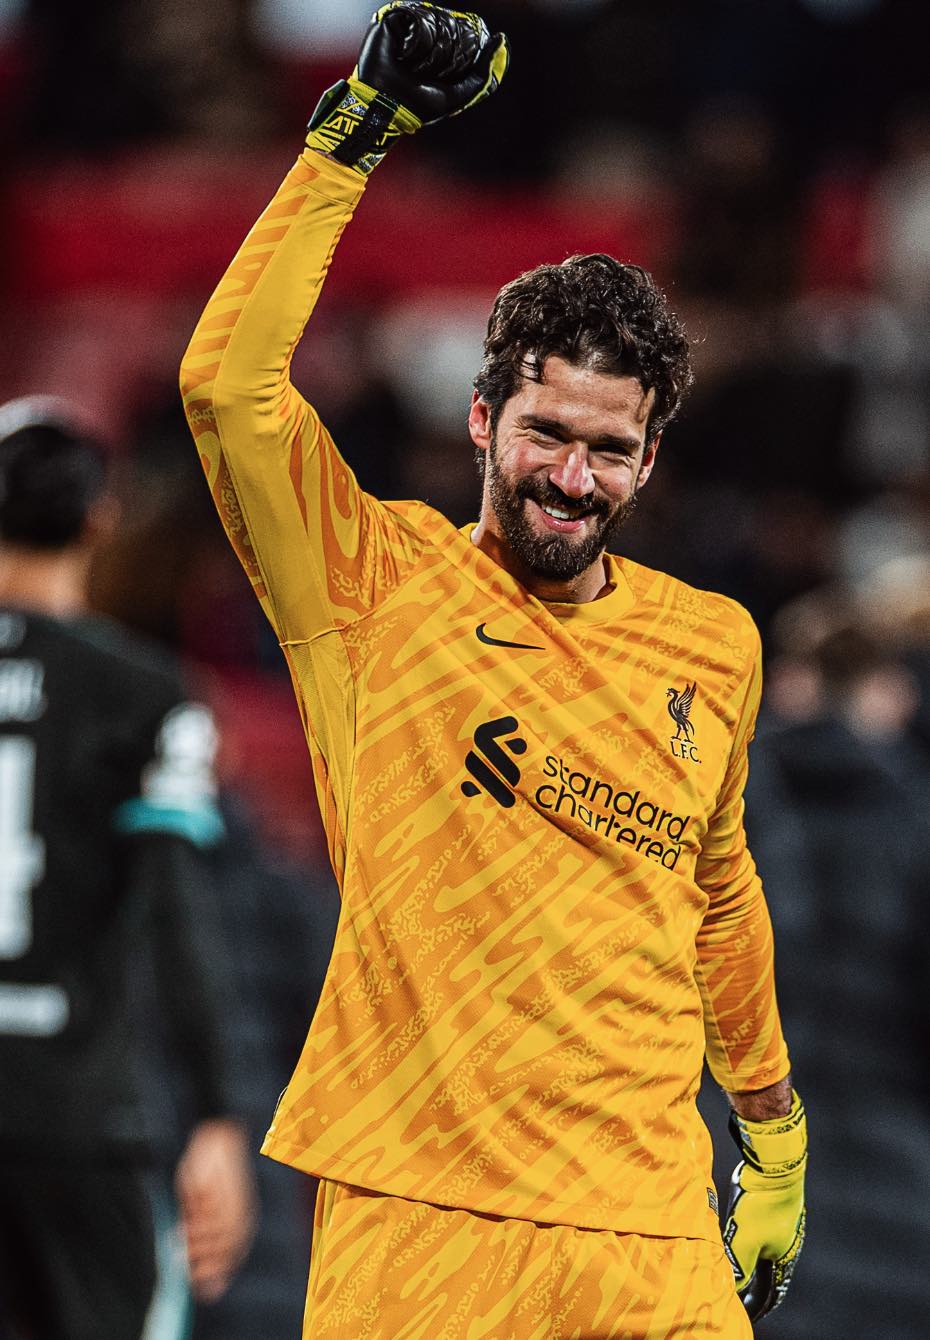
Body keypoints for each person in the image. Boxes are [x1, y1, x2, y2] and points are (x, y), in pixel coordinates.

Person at [180, 5, 806, 1336]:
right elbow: (227, 390)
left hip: (651, 1234)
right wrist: (351, 139)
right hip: (424, 1221)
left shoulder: (714, 640)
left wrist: (772, 1132)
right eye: (544, 433)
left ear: (649, 459)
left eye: (609, 450)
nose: (572, 477)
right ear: (481, 418)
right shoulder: (369, 582)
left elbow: (717, 893)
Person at [0, 398, 255, 1340]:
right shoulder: (143, 695)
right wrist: (218, 1116)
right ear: (100, 519)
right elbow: (178, 914)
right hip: (78, 1122)